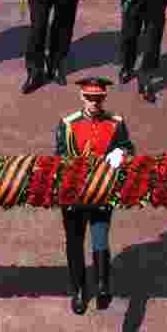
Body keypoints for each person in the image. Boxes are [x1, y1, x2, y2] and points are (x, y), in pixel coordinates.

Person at [54, 77, 134, 314]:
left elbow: (129, 146)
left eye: (98, 98)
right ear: (82, 97)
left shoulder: (116, 123)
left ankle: (102, 285)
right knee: (75, 244)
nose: (93, 103)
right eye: (89, 98)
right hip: (74, 195)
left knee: (100, 239)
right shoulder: (67, 124)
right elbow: (59, 157)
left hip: (102, 193)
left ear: (104, 98)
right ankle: (78, 290)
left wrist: (121, 151)